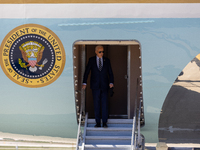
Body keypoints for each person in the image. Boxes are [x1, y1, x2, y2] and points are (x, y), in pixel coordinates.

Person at [82, 45, 114, 128]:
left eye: (102, 51)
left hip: (104, 86)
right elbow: (87, 71)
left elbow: (110, 72)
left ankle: (104, 122)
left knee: (104, 104)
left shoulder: (106, 60)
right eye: (100, 52)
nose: (101, 53)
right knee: (96, 104)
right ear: (96, 52)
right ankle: (97, 122)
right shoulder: (91, 60)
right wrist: (84, 82)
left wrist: (111, 82)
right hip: (95, 86)